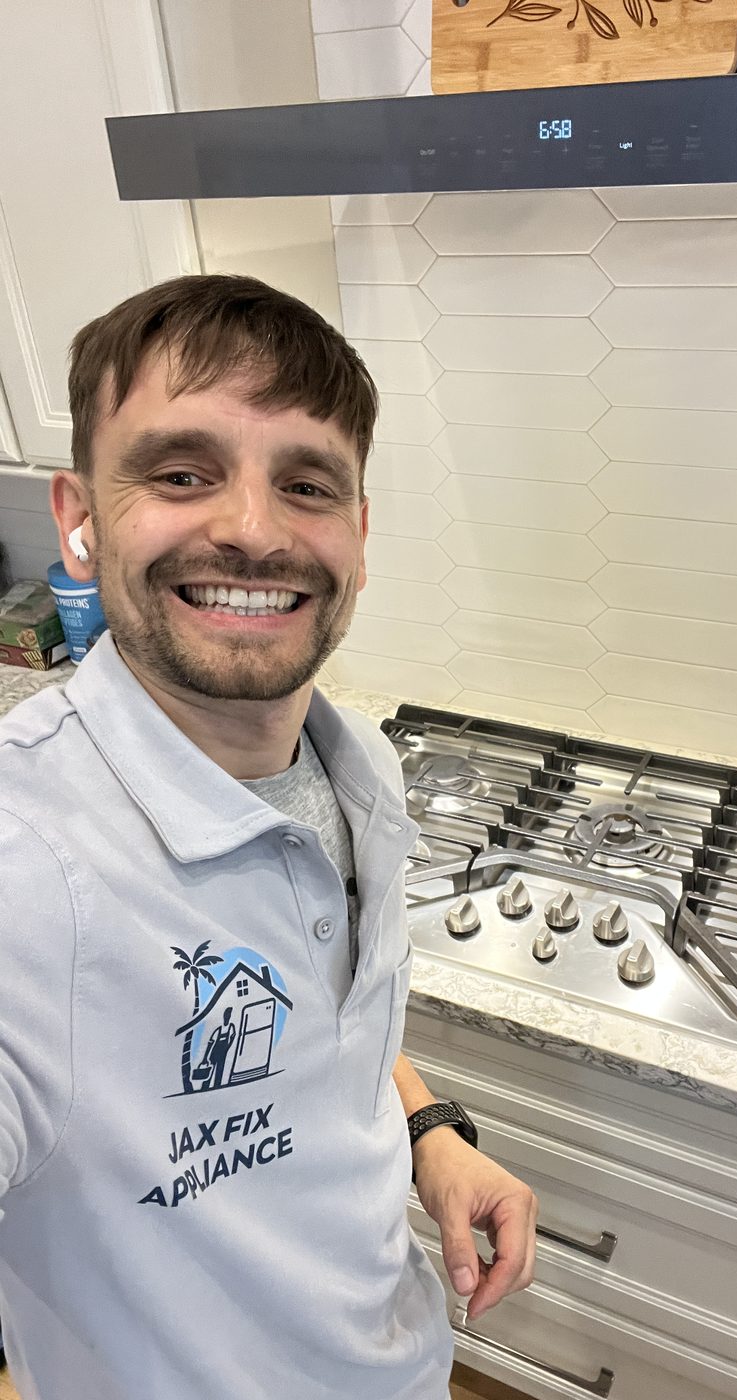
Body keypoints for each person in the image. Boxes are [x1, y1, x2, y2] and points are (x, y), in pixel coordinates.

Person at [0, 274, 538, 1400]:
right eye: (180, 472)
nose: (252, 529)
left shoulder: (357, 764)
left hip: (406, 1362)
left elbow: (324, 1022)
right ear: (78, 518)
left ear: (358, 535)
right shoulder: (28, 861)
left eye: (305, 484)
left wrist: (430, 1130)